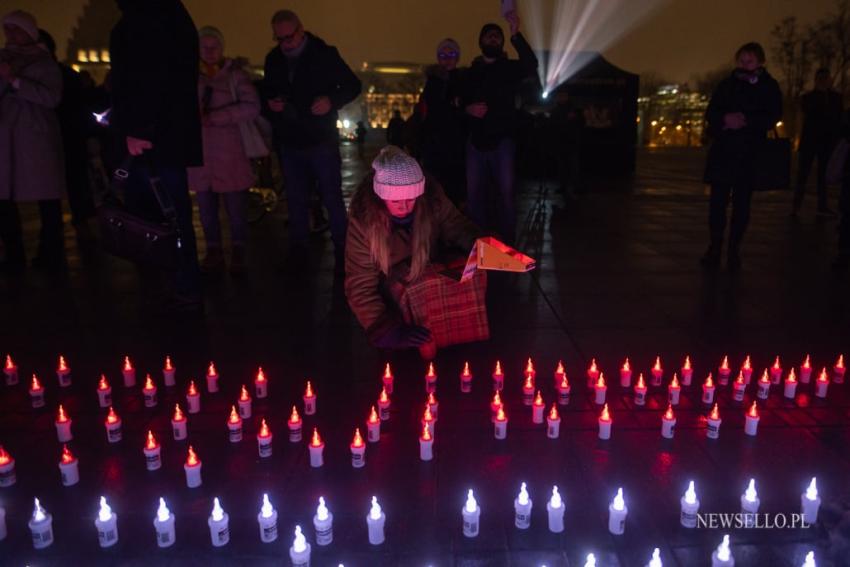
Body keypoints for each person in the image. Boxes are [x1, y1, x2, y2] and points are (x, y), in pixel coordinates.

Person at [345, 146, 489, 360]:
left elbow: (457, 226)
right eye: (395, 201)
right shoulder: (364, 222)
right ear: (381, 197)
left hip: (428, 274)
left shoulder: (432, 200)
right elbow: (360, 283)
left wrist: (485, 248)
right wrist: (384, 328)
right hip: (392, 289)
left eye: (411, 199)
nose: (404, 206)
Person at [109, 0, 203, 311]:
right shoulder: (171, 15)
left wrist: (139, 129)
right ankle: (179, 282)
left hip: (151, 139)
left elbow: (148, 79)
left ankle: (175, 283)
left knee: (158, 216)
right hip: (166, 137)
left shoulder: (147, 18)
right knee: (170, 215)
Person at [262, 9, 361, 272]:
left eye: (289, 37)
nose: (285, 43)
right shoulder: (273, 60)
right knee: (295, 199)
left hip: (320, 139)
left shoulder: (324, 54)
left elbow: (353, 84)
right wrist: (270, 105)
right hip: (291, 139)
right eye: (280, 39)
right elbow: (267, 93)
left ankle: (342, 250)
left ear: (301, 30)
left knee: (331, 196)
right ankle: (299, 249)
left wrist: (330, 101)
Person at [702, 42, 782, 271]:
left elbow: (773, 115)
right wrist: (725, 119)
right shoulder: (727, 84)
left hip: (749, 152)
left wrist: (745, 120)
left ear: (760, 62)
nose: (744, 65)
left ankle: (733, 249)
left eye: (749, 61)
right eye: (741, 61)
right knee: (717, 203)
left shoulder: (769, 86)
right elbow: (712, 111)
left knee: (742, 204)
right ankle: (715, 246)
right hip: (725, 151)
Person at [461, 11, 539, 244]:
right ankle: (479, 243)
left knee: (506, 195)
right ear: (481, 41)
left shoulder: (509, 69)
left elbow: (531, 64)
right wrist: (468, 109)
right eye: (489, 36)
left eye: (497, 36)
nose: (493, 39)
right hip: (476, 141)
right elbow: (459, 103)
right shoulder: (470, 73)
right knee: (475, 196)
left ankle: (507, 243)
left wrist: (516, 35)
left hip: (503, 141)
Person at [188, 26, 260, 275]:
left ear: (222, 48)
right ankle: (214, 250)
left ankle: (238, 250)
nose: (208, 52)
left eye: (213, 46)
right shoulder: (188, 76)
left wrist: (218, 117)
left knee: (235, 210)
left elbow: (252, 107)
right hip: (201, 156)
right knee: (206, 209)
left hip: (230, 154)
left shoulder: (234, 76)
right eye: (204, 47)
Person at [0, 10, 66, 273]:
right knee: (4, 198)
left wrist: (15, 81)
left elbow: (51, 98)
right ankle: (14, 255)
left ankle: (50, 252)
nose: (10, 34)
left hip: (35, 138)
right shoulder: (3, 59)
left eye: (15, 29)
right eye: (6, 29)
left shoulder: (44, 62)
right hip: (5, 139)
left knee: (47, 199)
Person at [38, 29, 98, 245]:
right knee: (74, 185)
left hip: (65, 137)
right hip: (64, 138)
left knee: (70, 185)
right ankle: (81, 226)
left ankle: (66, 232)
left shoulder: (59, 75)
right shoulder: (65, 73)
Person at [420, 38, 466, 206]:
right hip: (436, 146)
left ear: (458, 57)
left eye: (451, 54)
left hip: (458, 147)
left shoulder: (464, 81)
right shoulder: (432, 83)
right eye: (443, 54)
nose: (447, 58)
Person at [793, 68, 842, 218]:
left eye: (825, 78)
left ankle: (820, 206)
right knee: (803, 174)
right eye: (820, 78)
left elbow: (837, 119)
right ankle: (797, 206)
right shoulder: (810, 98)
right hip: (812, 141)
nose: (823, 81)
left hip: (825, 142)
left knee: (821, 175)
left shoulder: (834, 98)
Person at [549, 88, 584, 198]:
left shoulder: (572, 110)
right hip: (562, 142)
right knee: (564, 166)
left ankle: (574, 186)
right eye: (560, 96)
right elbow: (553, 125)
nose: (561, 98)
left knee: (572, 166)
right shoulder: (559, 110)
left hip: (570, 142)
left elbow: (580, 123)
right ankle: (565, 186)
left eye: (563, 95)